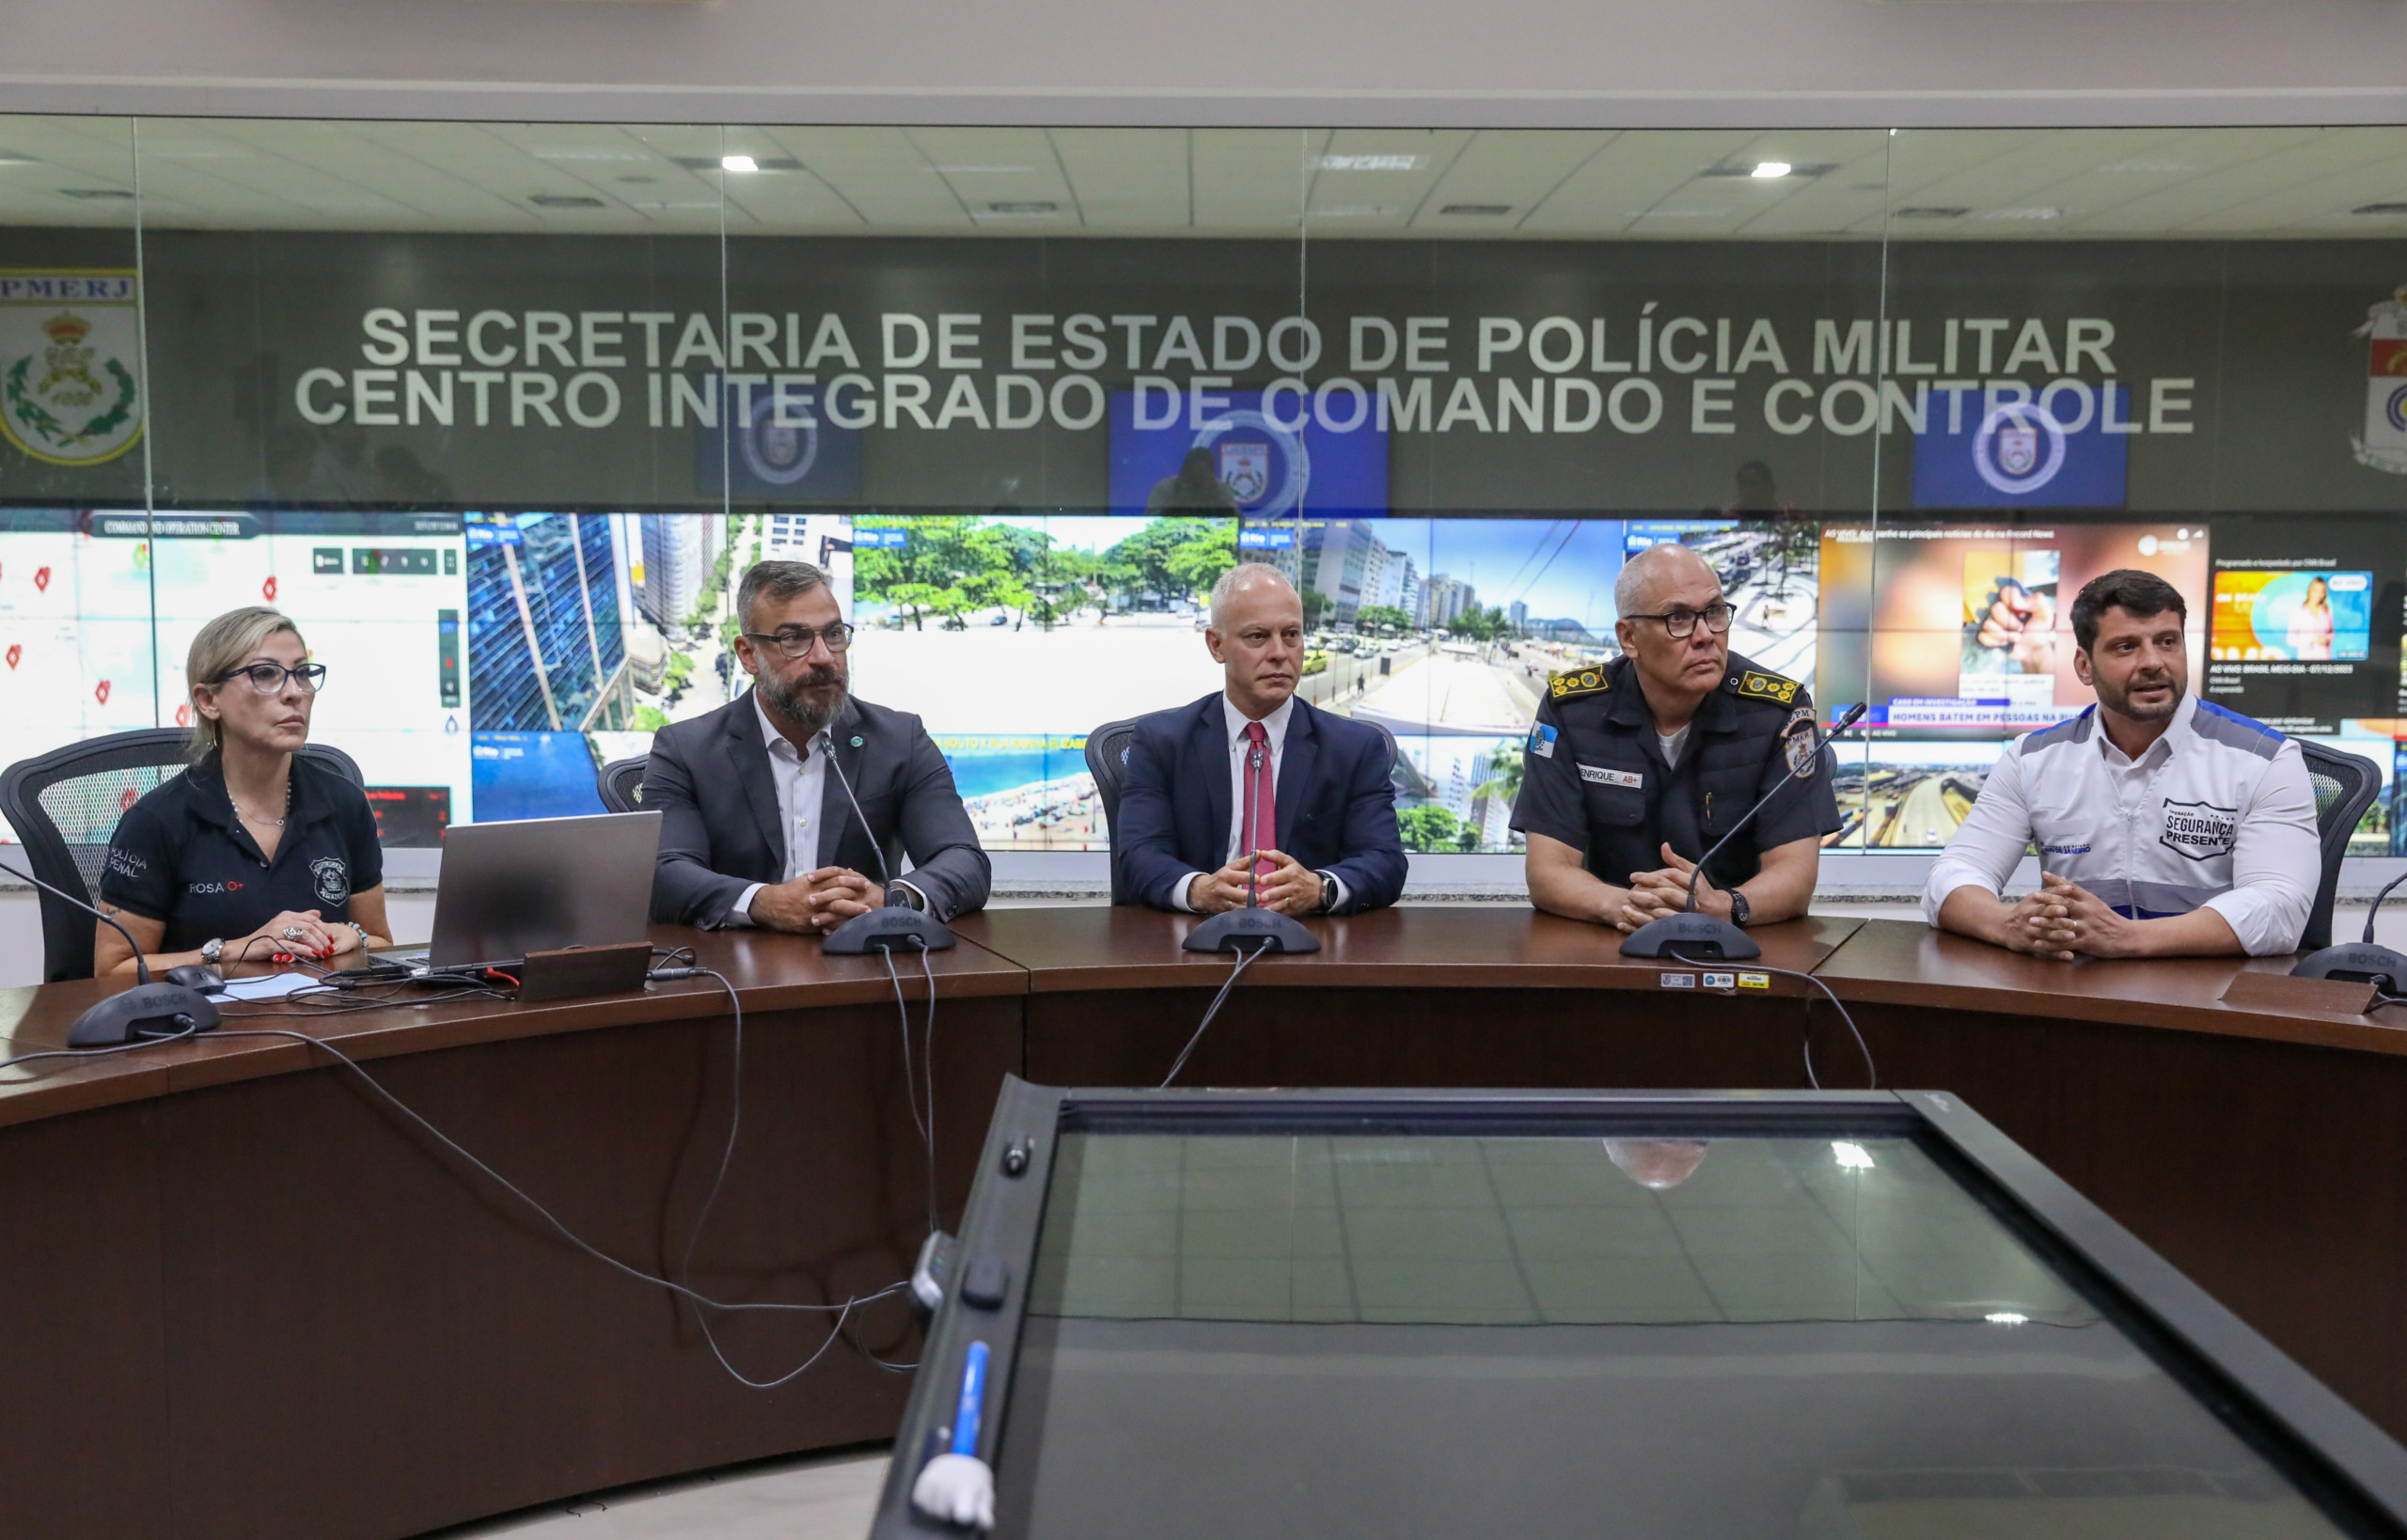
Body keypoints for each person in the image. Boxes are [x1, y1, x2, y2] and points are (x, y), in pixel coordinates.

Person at [1925, 569, 2320, 960]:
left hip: (2214, 1000)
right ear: (2084, 666)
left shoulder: (2264, 758)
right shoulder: (2033, 758)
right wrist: (2007, 925)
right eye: (2126, 647)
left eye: (2167, 642)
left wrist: (2127, 938)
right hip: (2081, 993)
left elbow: (2280, 909)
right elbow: (1950, 878)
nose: (2153, 662)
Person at [645, 559, 989, 931]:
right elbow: (664, 874)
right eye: (795, 639)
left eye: (834, 634)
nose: (824, 657)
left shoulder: (899, 739)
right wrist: (761, 902)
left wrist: (893, 900)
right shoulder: (684, 750)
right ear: (748, 655)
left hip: (866, 960)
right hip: (736, 970)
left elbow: (964, 859)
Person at [1513, 542, 1839, 933]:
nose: (1705, 635)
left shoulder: (1776, 712)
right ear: (1629, 638)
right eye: (1678, 618)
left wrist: (1724, 906)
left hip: (1736, 949)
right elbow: (1548, 871)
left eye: (1715, 612)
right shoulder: (1573, 711)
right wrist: (1628, 906)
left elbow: (1795, 873)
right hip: (1609, 942)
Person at [95, 606, 392, 975]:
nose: (294, 693)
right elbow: (113, 971)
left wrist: (354, 938)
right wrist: (235, 950)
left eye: (302, 673)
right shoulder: (157, 821)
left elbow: (381, 943)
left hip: (322, 1021)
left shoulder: (345, 804)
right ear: (208, 701)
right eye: (265, 674)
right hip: (204, 1024)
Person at [1114, 563, 1406, 917]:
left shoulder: (1355, 748)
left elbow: (1384, 861)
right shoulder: (1162, 741)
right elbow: (1138, 853)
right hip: (1194, 939)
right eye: (1257, 637)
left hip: (1311, 941)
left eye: (1291, 635)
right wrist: (1198, 889)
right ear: (1216, 645)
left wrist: (1321, 888)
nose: (1279, 653)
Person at [1145, 448, 1240, 516]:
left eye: (1203, 475)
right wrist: (1176, 505)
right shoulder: (1166, 488)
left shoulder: (1220, 489)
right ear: (1184, 473)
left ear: (1212, 474)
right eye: (1195, 474)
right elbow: (1150, 518)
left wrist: (1219, 503)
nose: (1198, 481)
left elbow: (1239, 522)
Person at [2286, 575, 2335, 661]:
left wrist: (2327, 638)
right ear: (2310, 591)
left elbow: (2332, 633)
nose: (2319, 595)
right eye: (2315, 591)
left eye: (2322, 591)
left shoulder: (2328, 612)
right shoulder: (2298, 612)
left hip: (2325, 658)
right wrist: (2312, 639)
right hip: (2307, 659)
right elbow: (2290, 639)